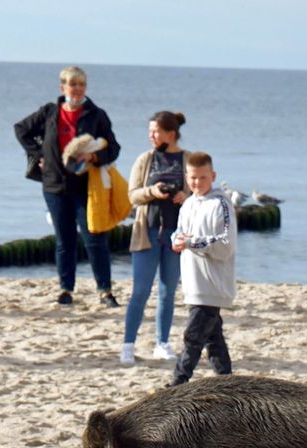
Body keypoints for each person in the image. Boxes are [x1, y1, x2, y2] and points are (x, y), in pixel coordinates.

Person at [14, 66, 121, 308]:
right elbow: (21, 130)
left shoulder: (96, 114)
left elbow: (113, 148)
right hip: (54, 186)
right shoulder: (50, 112)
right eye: (73, 84)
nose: (78, 89)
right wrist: (39, 154)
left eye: (82, 84)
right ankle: (66, 289)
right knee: (65, 240)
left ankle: (105, 291)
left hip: (87, 186)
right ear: (63, 87)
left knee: (95, 238)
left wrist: (94, 158)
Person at [121, 111, 189, 364]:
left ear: (171, 133)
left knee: (168, 290)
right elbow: (133, 195)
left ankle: (162, 343)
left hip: (176, 233)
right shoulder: (145, 159)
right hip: (146, 232)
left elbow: (198, 191)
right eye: (150, 131)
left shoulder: (187, 158)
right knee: (140, 290)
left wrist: (186, 195)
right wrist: (153, 191)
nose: (151, 136)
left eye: (156, 131)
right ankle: (128, 344)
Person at [169, 152, 236, 386]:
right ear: (186, 177)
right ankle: (228, 383)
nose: (197, 183)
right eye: (193, 178)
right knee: (213, 339)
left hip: (212, 284)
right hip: (192, 282)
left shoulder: (221, 204)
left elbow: (225, 245)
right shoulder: (187, 203)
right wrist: (177, 240)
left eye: (202, 178)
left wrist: (192, 242)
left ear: (213, 176)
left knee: (193, 337)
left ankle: (177, 383)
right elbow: (179, 232)